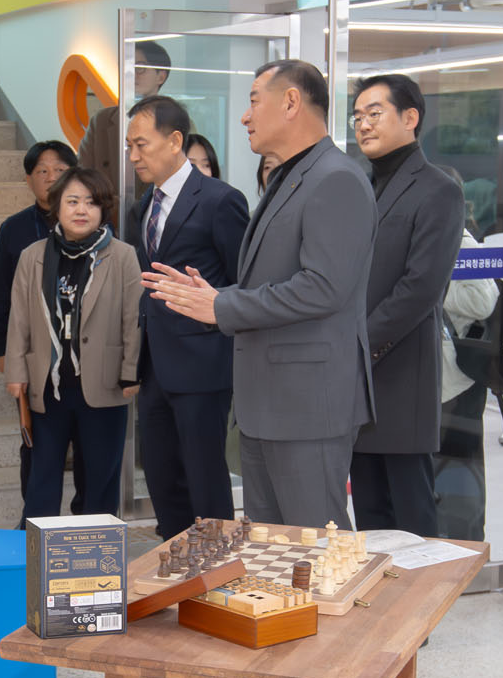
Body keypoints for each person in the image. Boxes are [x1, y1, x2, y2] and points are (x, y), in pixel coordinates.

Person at [145, 60, 376, 530]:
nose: (245, 116)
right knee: (272, 550)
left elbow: (323, 288)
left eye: (253, 101)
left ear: (290, 102)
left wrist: (222, 306)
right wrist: (214, 295)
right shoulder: (291, 177)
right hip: (268, 405)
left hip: (306, 406)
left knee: (315, 547)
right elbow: (273, 280)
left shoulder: (336, 178)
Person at [124, 96, 250, 539]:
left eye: (141, 144)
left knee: (205, 480)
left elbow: (244, 284)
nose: (133, 156)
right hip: (155, 366)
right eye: (129, 147)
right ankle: (175, 564)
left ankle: (219, 568)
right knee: (162, 479)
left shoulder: (220, 200)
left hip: (203, 365)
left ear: (175, 140)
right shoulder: (142, 206)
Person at [347, 74, 464, 540]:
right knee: (370, 515)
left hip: (400, 373)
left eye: (374, 113)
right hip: (358, 376)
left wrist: (358, 343)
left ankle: (423, 592)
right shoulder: (361, 185)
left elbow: (421, 287)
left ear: (410, 117)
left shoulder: (438, 189)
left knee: (411, 518)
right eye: (357, 116)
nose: (363, 124)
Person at [6, 168, 142, 521]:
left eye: (91, 202)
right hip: (47, 387)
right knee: (41, 478)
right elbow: (19, 318)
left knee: (100, 480)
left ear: (103, 209)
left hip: (105, 383)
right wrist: (16, 372)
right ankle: (37, 545)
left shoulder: (123, 255)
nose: (82, 210)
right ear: (57, 207)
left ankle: (94, 546)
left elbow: (133, 318)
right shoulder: (33, 256)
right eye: (73, 201)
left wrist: (132, 371)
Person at [0, 141, 84, 511]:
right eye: (42, 171)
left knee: (88, 447)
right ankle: (37, 523)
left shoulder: (93, 223)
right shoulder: (14, 229)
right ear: (28, 180)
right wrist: (1, 349)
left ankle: (86, 522)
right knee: (37, 444)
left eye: (60, 170)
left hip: (86, 357)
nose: (51, 177)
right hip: (33, 357)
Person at [436, 216, 497, 542]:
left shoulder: (461, 240)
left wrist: (426, 286)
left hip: (457, 382)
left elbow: (482, 301)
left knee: (458, 479)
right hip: (435, 381)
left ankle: (465, 551)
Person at [79, 40, 171, 211]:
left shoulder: (174, 122)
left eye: (140, 68)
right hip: (107, 214)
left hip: (157, 213)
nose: (132, 74)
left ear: (161, 76)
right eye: (127, 68)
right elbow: (82, 173)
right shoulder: (102, 120)